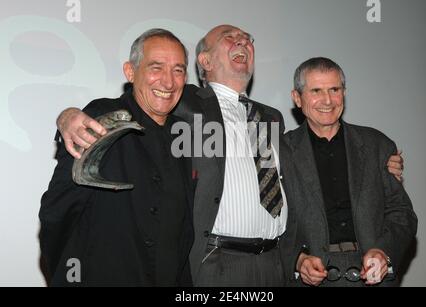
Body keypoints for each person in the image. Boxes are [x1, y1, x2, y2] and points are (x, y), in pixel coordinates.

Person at [53, 25, 404, 286]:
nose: (242, 43)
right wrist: (68, 116)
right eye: (229, 39)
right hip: (216, 263)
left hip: (276, 265)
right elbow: (135, 100)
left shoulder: (272, 118)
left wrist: (380, 165)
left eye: (247, 39)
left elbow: (304, 172)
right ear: (204, 61)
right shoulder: (183, 103)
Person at [39, 29, 194, 286]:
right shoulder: (102, 118)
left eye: (178, 70)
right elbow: (56, 213)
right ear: (130, 72)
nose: (168, 82)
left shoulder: (185, 135)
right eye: (156, 67)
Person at [285, 57, 418, 287]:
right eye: (316, 90)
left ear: (344, 93)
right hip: (309, 279)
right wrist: (297, 259)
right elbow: (267, 222)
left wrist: (383, 252)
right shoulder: (280, 151)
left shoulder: (377, 145)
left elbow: (402, 214)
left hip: (373, 277)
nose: (327, 100)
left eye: (334, 89)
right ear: (297, 98)